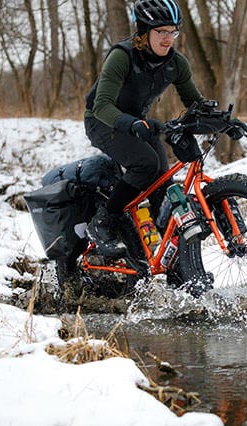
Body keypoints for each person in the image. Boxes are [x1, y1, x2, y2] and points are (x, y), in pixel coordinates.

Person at [83, 0, 204, 257]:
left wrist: (224, 120)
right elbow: (101, 105)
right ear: (144, 31)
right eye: (161, 32)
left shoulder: (176, 63)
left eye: (173, 31)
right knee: (146, 163)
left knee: (163, 179)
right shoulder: (122, 56)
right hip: (102, 120)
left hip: (138, 121)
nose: (168, 38)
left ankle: (169, 259)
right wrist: (131, 123)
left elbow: (195, 102)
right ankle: (103, 222)